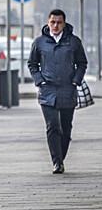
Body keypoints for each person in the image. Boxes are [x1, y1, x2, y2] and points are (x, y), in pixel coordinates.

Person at [27, 9, 87, 174]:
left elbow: (82, 63)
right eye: (52, 22)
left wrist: (76, 80)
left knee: (66, 128)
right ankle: (57, 161)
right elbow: (32, 63)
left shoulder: (74, 42)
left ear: (64, 23)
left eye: (59, 22)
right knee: (52, 126)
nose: (55, 25)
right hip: (47, 90)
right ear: (48, 22)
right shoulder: (39, 42)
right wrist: (40, 80)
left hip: (68, 89)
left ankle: (61, 156)